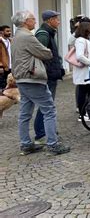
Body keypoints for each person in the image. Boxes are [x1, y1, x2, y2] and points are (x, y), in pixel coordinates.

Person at [11, 10, 70, 155]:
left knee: (25, 113)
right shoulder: (27, 36)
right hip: (32, 78)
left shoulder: (17, 35)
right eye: (32, 19)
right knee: (49, 110)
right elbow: (46, 53)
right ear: (25, 21)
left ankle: (26, 144)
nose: (35, 21)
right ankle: (52, 144)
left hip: (21, 78)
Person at [33, 11, 65, 144]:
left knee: (48, 104)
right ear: (49, 20)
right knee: (47, 104)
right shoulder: (43, 34)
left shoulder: (48, 33)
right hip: (47, 75)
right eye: (56, 19)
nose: (58, 21)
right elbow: (40, 53)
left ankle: (46, 130)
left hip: (51, 73)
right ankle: (41, 132)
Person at [72, 22, 90, 121]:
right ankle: (82, 114)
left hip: (87, 71)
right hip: (84, 71)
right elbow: (79, 56)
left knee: (87, 92)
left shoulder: (85, 40)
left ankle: (85, 113)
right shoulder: (80, 41)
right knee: (84, 92)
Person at [0, 25, 12, 90]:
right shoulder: (0, 42)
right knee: (3, 87)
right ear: (1, 32)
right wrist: (0, 66)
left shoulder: (10, 41)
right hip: (3, 68)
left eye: (10, 31)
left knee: (9, 86)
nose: (9, 32)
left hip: (10, 67)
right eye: (7, 31)